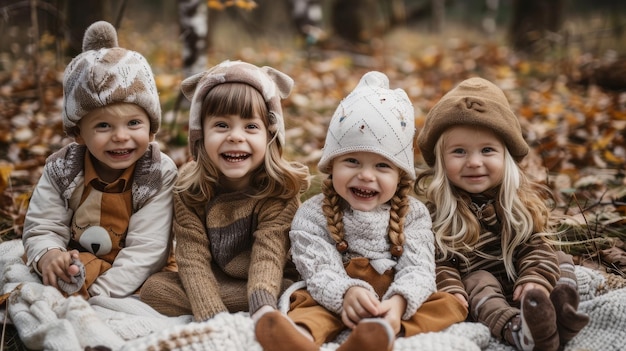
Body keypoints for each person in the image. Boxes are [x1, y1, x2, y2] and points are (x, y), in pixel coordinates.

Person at [255, 71, 468, 351]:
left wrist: (398, 304)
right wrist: (346, 293)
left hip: (395, 300)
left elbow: (419, 268)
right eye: (352, 161)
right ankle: (300, 337)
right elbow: (318, 268)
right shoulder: (312, 213)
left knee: (448, 304)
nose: (366, 176)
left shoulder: (413, 214)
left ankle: (380, 333)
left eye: (382, 166)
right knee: (305, 301)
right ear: (332, 166)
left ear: (400, 176)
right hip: (336, 298)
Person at [414, 77, 590, 351]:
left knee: (560, 259)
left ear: (506, 156)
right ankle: (517, 329)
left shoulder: (517, 202)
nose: (474, 162)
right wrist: (451, 290)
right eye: (459, 151)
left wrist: (535, 278)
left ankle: (557, 313)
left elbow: (535, 245)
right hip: (481, 293)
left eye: (487, 150)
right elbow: (439, 262)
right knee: (478, 279)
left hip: (526, 288)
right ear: (441, 160)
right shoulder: (435, 213)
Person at [139, 60, 310, 322]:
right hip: (216, 276)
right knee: (154, 289)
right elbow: (191, 256)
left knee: (285, 286)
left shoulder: (278, 189)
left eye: (251, 126)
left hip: (270, 276)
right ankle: (238, 299)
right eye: (221, 125)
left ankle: (269, 297)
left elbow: (269, 255)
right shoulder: (190, 187)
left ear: (270, 135)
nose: (235, 136)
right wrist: (212, 315)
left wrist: (263, 307)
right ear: (200, 135)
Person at [21, 21, 177, 299]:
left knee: (160, 292)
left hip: (134, 273)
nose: (120, 136)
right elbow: (42, 225)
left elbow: (148, 249)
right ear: (78, 133)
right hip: (80, 260)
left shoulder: (156, 173)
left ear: (151, 129)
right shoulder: (62, 169)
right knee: (49, 272)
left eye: (133, 123)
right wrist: (49, 254)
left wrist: (97, 294)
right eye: (103, 126)